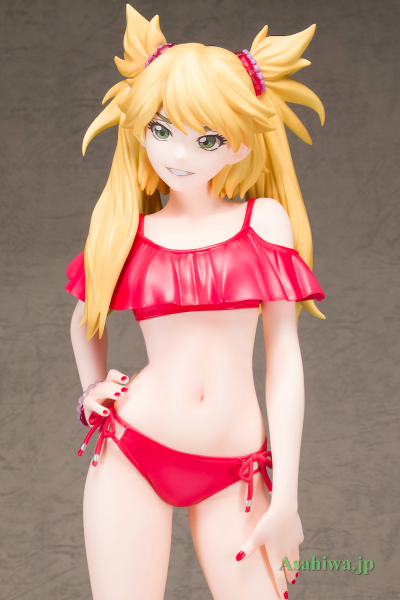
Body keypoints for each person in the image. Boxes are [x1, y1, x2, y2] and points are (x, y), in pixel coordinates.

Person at [66, 5, 326, 600]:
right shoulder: (130, 232)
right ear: (140, 128)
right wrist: (91, 391)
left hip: (236, 468)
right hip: (133, 449)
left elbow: (284, 357)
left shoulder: (264, 220)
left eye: (206, 139)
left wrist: (286, 495)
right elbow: (85, 320)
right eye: (161, 130)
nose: (178, 155)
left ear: (238, 147)